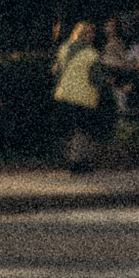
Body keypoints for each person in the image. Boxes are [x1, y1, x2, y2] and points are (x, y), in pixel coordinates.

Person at [50, 20, 104, 168]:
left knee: (70, 129)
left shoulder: (64, 48)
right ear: (88, 35)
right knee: (83, 130)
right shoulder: (91, 54)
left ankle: (70, 159)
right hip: (84, 95)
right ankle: (80, 161)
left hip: (63, 93)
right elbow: (96, 78)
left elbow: (57, 72)